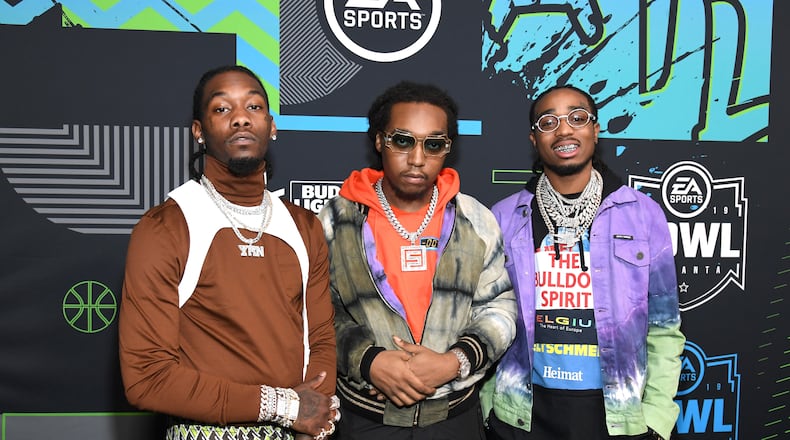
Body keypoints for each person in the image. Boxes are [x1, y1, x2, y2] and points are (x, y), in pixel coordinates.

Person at [119, 65, 339, 440]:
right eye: (222, 109)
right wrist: (286, 408)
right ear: (199, 132)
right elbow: (146, 378)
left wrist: (311, 419)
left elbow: (319, 338)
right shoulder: (165, 227)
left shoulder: (304, 226)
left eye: (253, 107)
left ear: (272, 125)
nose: (240, 118)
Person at [480, 85, 685, 440]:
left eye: (577, 118)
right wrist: (488, 409)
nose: (564, 130)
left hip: (616, 418)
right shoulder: (504, 217)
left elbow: (664, 326)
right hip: (522, 416)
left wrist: (656, 417)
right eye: (549, 122)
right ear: (533, 138)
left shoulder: (642, 214)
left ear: (595, 128)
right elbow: (483, 316)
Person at [318, 81, 517, 439]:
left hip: (455, 421)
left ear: (448, 150)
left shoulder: (475, 219)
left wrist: (452, 363)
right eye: (403, 140)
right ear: (379, 141)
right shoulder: (335, 220)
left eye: (434, 144)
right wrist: (369, 362)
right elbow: (314, 313)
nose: (417, 158)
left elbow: (499, 307)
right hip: (363, 421)